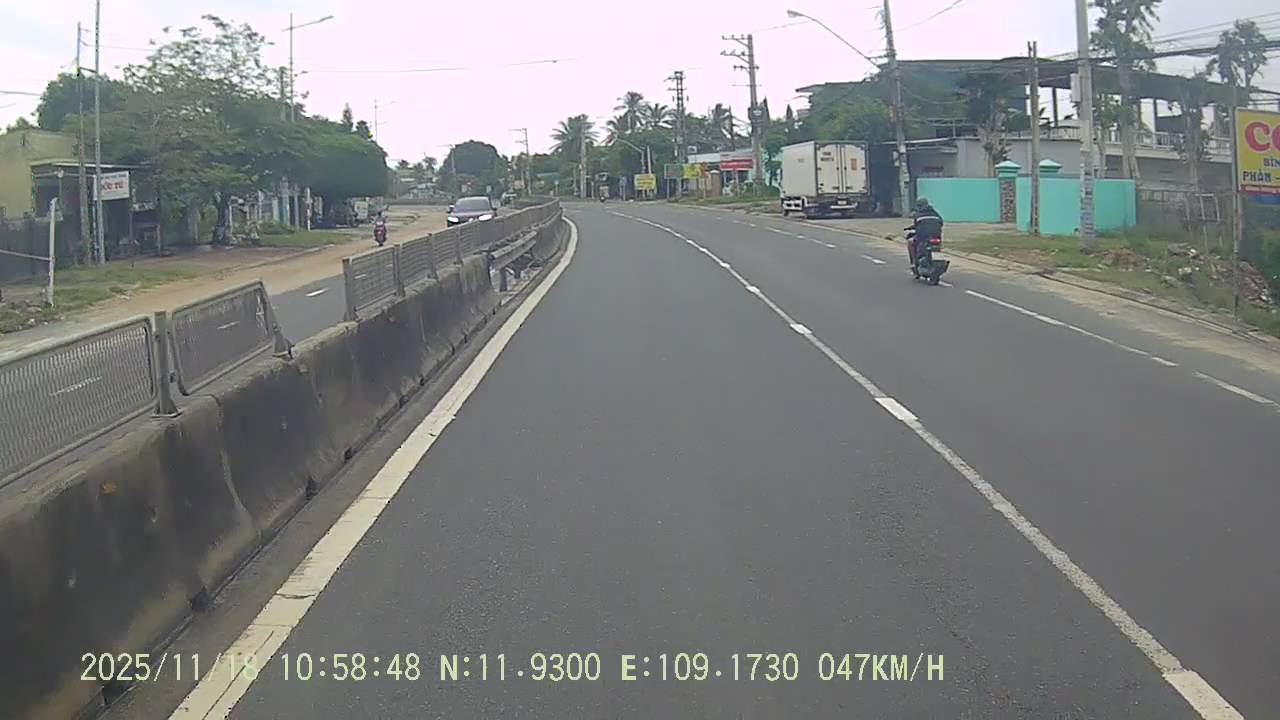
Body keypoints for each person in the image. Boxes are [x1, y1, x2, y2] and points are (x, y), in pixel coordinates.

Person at [908, 197, 943, 271]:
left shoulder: (918, 215)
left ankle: (914, 263)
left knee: (910, 242)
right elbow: (941, 222)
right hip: (936, 237)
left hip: (924, 238)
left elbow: (916, 226)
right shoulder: (935, 213)